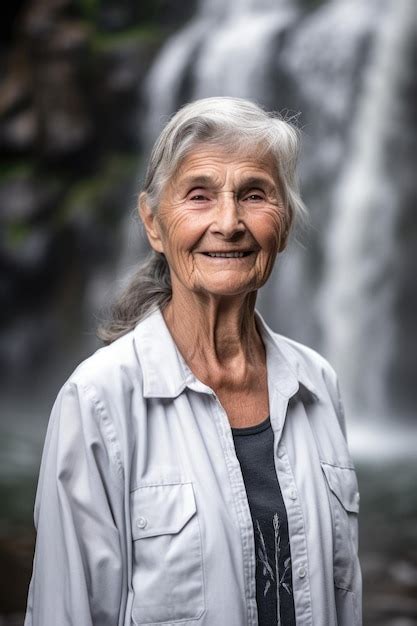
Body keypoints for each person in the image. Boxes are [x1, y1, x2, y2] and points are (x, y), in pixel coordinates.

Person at [24, 96, 362, 626]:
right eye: (199, 196)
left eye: (254, 195)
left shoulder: (317, 385)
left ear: (287, 223)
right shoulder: (99, 400)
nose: (229, 223)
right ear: (154, 224)